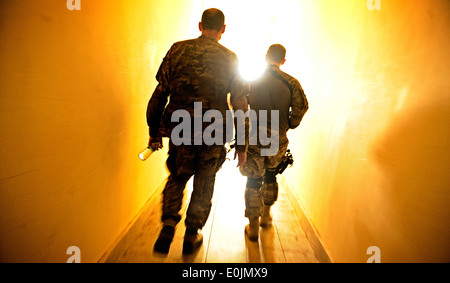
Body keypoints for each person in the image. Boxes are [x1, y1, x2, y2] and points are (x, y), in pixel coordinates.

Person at [146, 8, 249, 254]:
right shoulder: (230, 58)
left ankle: (169, 223)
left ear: (200, 24)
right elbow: (240, 106)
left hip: (181, 129)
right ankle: (191, 235)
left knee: (177, 176)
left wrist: (154, 131)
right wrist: (242, 146)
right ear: (223, 30)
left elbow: (160, 94)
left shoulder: (177, 50)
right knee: (205, 182)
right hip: (213, 132)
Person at [240, 44, 309, 241]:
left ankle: (252, 227)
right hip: (277, 139)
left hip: (253, 137)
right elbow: (300, 110)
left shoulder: (250, 80)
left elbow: (238, 106)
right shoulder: (292, 83)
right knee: (271, 176)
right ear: (283, 61)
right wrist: (288, 124)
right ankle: (266, 216)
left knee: (253, 179)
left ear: (265, 57)